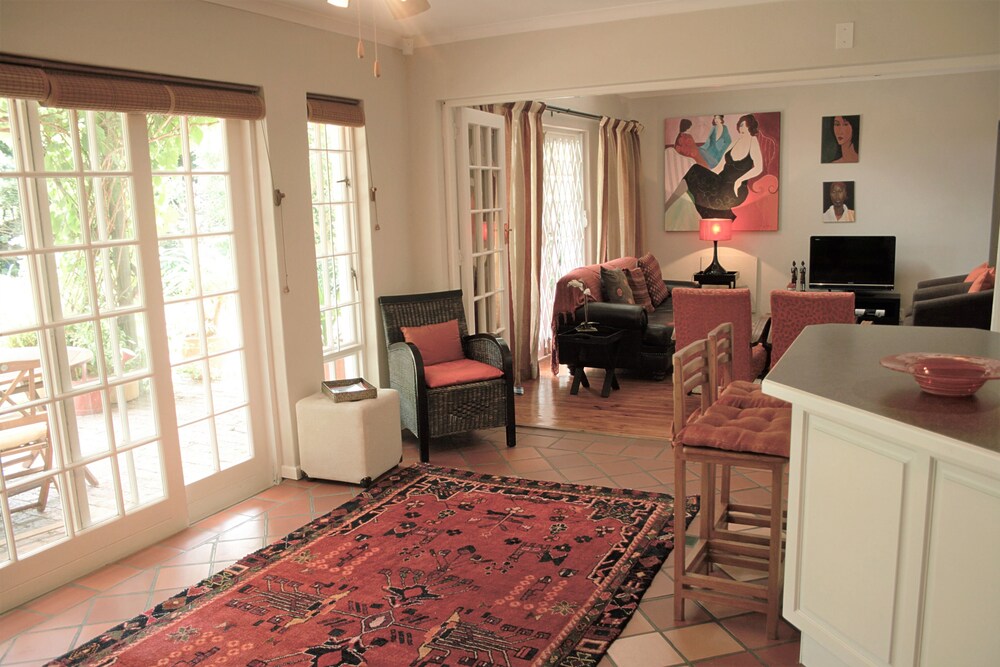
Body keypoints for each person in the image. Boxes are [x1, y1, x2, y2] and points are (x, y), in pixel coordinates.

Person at [664, 114, 764, 220]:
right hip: (721, 181)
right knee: (695, 169)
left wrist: (740, 180)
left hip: (736, 189)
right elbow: (720, 166)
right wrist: (706, 174)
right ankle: (668, 205)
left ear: (750, 125)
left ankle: (668, 206)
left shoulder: (753, 141)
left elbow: (758, 168)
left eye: (742, 125)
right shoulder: (735, 142)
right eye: (740, 125)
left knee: (699, 178)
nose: (740, 128)